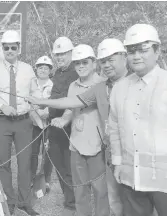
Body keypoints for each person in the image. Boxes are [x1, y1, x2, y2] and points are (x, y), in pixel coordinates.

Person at [27, 38, 129, 216]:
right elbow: (70, 105)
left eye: (85, 62)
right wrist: (63, 119)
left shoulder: (101, 84)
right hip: (76, 143)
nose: (81, 66)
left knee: (100, 191)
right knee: (80, 188)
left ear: (93, 63)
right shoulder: (73, 85)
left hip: (97, 146)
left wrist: (42, 101)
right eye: (78, 63)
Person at [108, 23, 167, 216]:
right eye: (131, 51)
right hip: (131, 178)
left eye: (143, 50)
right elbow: (115, 127)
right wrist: (118, 162)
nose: (136, 56)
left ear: (157, 51)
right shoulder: (120, 88)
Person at [0, 30, 40, 215]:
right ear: (2, 49)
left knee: (25, 163)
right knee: (4, 163)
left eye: (13, 47)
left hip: (23, 122)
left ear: (19, 48)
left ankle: (24, 202)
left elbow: (35, 93)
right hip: (2, 121)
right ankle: (10, 201)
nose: (10, 50)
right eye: (6, 47)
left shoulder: (28, 69)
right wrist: (1, 107)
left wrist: (40, 109)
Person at [48, 36, 79, 216]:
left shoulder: (76, 73)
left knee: (69, 167)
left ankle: (73, 203)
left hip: (69, 127)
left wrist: (64, 118)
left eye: (63, 54)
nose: (60, 58)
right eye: (57, 54)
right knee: (60, 166)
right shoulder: (57, 74)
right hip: (54, 127)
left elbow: (74, 101)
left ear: (71, 53)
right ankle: (69, 200)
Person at [29, 56, 54, 197]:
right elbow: (27, 99)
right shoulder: (31, 84)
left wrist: (47, 113)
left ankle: (46, 179)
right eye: (40, 67)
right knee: (33, 153)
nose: (43, 70)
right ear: (36, 69)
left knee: (47, 152)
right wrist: (38, 111)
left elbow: (55, 102)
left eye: (46, 68)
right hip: (34, 123)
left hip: (48, 124)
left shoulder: (53, 86)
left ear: (50, 70)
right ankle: (32, 178)